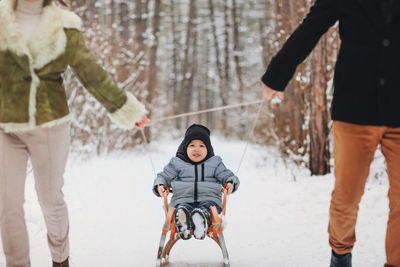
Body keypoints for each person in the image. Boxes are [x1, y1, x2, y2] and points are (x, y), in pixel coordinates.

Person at [0, 0, 150, 266]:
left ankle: (60, 259)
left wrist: (125, 109)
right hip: (6, 126)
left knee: (50, 199)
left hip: (49, 126)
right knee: (7, 205)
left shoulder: (65, 26)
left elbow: (91, 74)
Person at [260, 0, 400, 266]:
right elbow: (312, 26)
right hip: (355, 110)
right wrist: (277, 75)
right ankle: (341, 253)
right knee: (347, 197)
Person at [152, 124, 240, 240]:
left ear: (208, 149)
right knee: (182, 208)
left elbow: (227, 175)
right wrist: (160, 185)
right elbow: (163, 176)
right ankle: (183, 222)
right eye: (192, 145)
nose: (197, 149)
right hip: (183, 199)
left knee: (207, 208)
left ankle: (201, 219)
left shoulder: (215, 163)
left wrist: (230, 182)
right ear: (185, 147)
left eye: (202, 146)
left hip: (210, 200)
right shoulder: (177, 163)